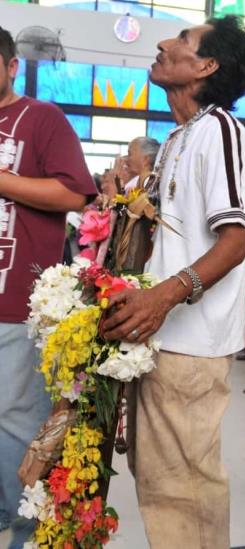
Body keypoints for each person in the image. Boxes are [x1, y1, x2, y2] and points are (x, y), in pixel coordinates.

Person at [101, 16, 245, 549]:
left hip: (190, 344)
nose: (164, 42)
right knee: (162, 485)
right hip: (164, 336)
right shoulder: (179, 135)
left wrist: (164, 297)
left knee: (186, 492)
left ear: (206, 67)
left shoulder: (220, 129)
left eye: (184, 40)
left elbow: (234, 242)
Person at [0, 26, 97, 548]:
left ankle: (24, 532)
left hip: (14, 301)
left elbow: (74, 193)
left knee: (15, 423)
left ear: (12, 65)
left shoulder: (42, 119)